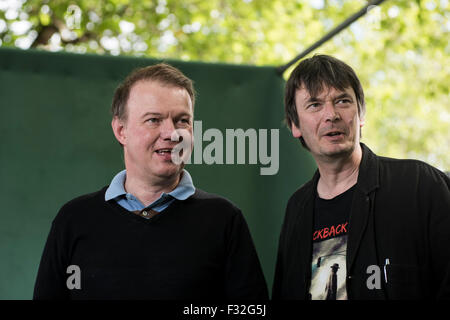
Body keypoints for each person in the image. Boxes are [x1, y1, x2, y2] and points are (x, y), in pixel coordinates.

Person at [34, 63, 268, 300]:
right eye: (154, 120)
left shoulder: (224, 219)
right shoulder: (74, 219)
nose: (172, 133)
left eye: (182, 120)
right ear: (121, 130)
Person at [272, 54, 450, 300]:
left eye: (342, 101)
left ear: (361, 114)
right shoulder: (297, 208)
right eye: (315, 105)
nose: (331, 115)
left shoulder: (419, 184)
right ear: (295, 125)